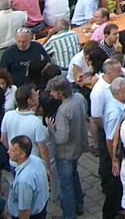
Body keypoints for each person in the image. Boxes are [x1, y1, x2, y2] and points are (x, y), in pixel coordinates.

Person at [46, 76, 88, 219]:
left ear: (61, 93)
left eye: (53, 91)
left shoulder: (63, 111)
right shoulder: (79, 98)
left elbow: (61, 138)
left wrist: (51, 129)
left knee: (66, 185)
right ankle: (79, 204)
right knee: (74, 175)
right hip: (78, 145)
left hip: (65, 153)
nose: (51, 94)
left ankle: (69, 215)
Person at [6, 135, 50, 219]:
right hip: (41, 206)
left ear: (22, 154)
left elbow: (25, 211)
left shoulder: (24, 181)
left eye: (12, 150)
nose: (8, 152)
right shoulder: (37, 160)